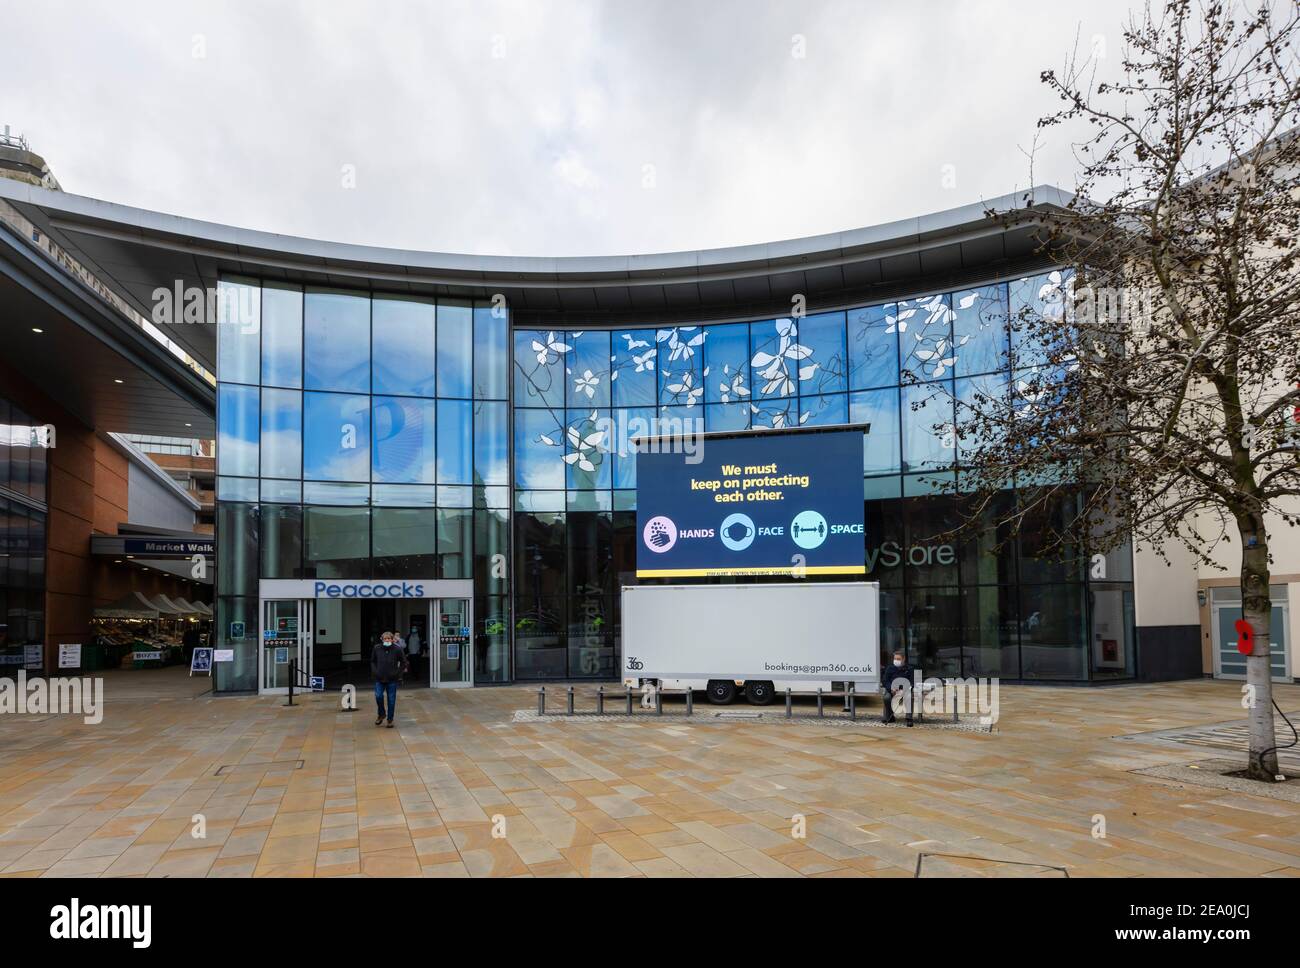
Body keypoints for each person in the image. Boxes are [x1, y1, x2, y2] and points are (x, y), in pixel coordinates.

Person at [371, 630, 409, 728]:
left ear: (392, 640)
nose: (387, 640)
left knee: (391, 700)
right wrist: (375, 672)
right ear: (381, 639)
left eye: (389, 638)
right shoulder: (377, 648)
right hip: (379, 678)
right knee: (378, 696)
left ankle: (390, 719)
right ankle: (381, 714)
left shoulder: (397, 649)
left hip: (392, 679)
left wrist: (397, 674)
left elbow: (404, 662)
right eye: (385, 638)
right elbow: (373, 661)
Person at [881, 650, 914, 726]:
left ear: (903, 659)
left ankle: (909, 718)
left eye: (898, 659)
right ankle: (889, 716)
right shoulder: (890, 668)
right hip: (892, 690)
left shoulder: (909, 669)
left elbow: (912, 682)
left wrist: (903, 689)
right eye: (895, 659)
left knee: (909, 697)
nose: (896, 661)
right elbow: (885, 681)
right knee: (886, 697)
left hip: (905, 690)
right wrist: (891, 688)